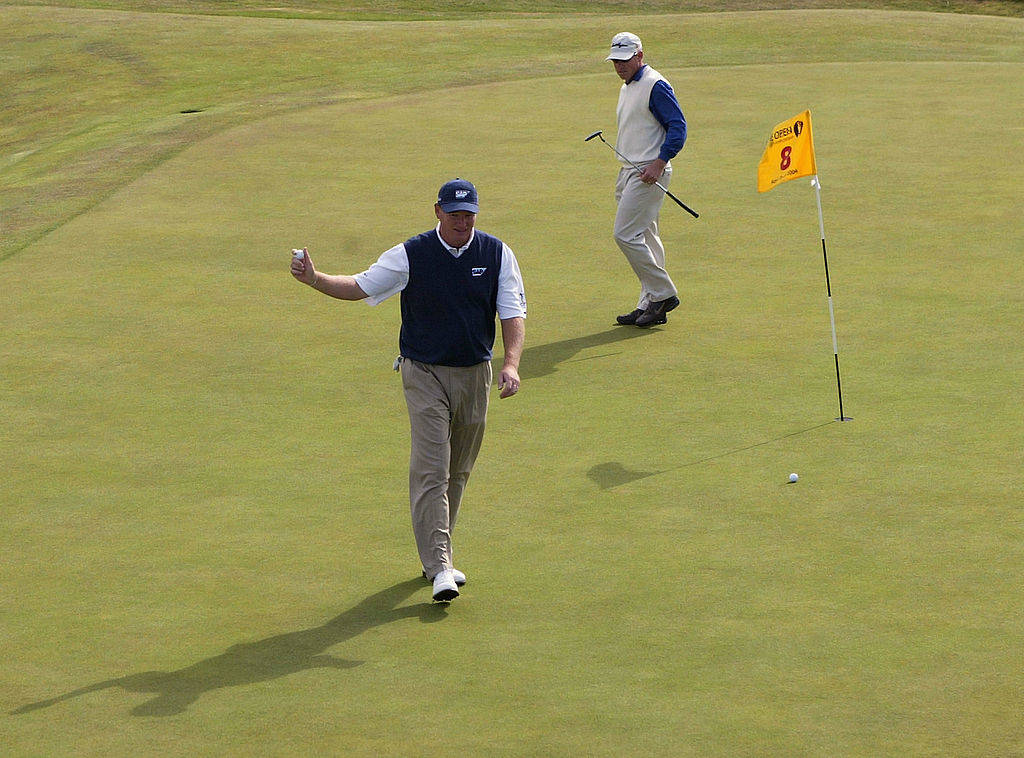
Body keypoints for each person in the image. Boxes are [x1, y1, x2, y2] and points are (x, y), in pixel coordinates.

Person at [289, 179, 526, 602]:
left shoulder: (496, 253)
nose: (462, 222)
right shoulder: (411, 254)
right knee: (432, 468)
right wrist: (314, 279)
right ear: (437, 212)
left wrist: (510, 364)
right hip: (424, 373)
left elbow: (512, 313)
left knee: (458, 470)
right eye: (454, 214)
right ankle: (440, 567)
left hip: (475, 374)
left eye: (469, 215)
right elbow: (359, 286)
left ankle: (438, 555)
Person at [605, 32, 687, 328]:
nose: (620, 66)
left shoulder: (655, 85)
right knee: (647, 237)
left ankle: (663, 293)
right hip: (630, 170)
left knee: (625, 234)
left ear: (639, 55)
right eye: (616, 61)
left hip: (649, 172)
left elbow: (678, 127)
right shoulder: (627, 87)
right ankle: (649, 304)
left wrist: (660, 162)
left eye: (625, 60)